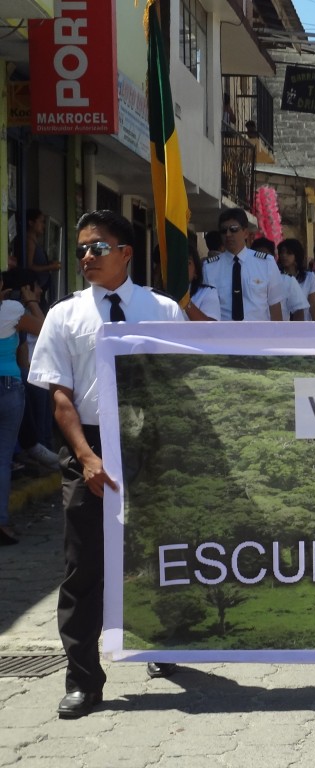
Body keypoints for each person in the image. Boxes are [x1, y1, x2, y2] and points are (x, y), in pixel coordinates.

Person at [28, 210, 187, 718]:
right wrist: (87, 456)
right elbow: (60, 397)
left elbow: (181, 383)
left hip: (148, 438)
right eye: (80, 250)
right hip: (88, 447)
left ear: (125, 253)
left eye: (97, 248)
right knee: (83, 566)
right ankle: (83, 679)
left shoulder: (161, 310)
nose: (87, 258)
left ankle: (162, 642)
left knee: (159, 551)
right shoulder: (64, 315)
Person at [1, 271, 45, 544]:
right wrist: (30, 302)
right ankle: (1, 524)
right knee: (2, 460)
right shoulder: (12, 310)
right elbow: (44, 329)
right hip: (8, 388)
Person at [202, 209, 284, 321]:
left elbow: (275, 307)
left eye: (233, 229)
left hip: (258, 335)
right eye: (223, 231)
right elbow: (207, 309)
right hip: (224, 335)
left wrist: (276, 337)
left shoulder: (266, 263)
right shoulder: (209, 267)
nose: (228, 234)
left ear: (245, 232)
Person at [278, 239, 315, 321]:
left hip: (304, 325)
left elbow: (313, 305)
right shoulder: (276, 277)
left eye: (289, 253)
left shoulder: (309, 277)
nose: (284, 255)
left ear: (297, 255)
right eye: (282, 252)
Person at [182, 245, 220, 321]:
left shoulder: (207, 292)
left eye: (187, 263)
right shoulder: (159, 296)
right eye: (176, 262)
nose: (181, 267)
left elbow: (210, 329)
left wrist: (185, 302)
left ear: (196, 272)